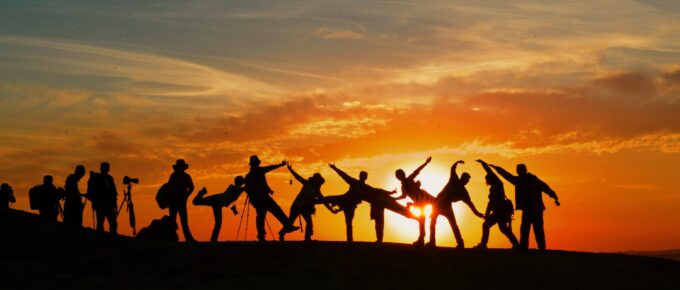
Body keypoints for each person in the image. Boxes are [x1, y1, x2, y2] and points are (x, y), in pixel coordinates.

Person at [328, 163, 412, 243]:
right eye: (362, 175)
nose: (362, 177)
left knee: (351, 222)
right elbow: (344, 175)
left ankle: (358, 240)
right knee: (329, 201)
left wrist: (390, 193)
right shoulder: (354, 182)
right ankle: (352, 240)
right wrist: (334, 168)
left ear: (365, 178)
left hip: (362, 204)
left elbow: (378, 190)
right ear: (360, 176)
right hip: (346, 200)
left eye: (364, 176)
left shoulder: (366, 187)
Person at [490, 163, 560, 251]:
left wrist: (553, 195)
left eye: (519, 170)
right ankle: (530, 247)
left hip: (535, 209)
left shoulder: (527, 179)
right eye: (518, 170)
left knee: (533, 228)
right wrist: (497, 168)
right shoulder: (522, 180)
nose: (518, 171)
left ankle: (536, 247)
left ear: (523, 170)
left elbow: (544, 187)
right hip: (532, 208)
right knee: (527, 229)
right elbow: (506, 175)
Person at [428, 160, 485, 248]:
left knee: (452, 224)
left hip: (445, 205)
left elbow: (470, 204)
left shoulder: (463, 192)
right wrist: (456, 163)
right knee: (434, 222)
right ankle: (432, 241)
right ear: (462, 178)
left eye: (467, 180)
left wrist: (477, 213)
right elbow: (452, 169)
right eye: (466, 179)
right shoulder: (454, 180)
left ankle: (460, 243)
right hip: (438, 203)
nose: (466, 181)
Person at [244, 155, 299, 242]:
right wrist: (281, 165)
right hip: (264, 198)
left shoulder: (248, 176)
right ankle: (288, 226)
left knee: (261, 217)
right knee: (277, 211)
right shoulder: (259, 171)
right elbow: (270, 168)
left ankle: (261, 236)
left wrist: (255, 197)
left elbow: (247, 189)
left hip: (258, 200)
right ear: (256, 163)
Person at [280, 163, 333, 242]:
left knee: (309, 223)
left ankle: (307, 238)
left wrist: (330, 209)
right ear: (315, 179)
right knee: (290, 222)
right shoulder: (307, 183)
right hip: (297, 206)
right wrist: (291, 170)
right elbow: (297, 177)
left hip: (305, 208)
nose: (318, 182)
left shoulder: (317, 190)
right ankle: (282, 233)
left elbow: (323, 201)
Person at [473, 160, 519, 249]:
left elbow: (490, 172)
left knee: (489, 226)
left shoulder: (498, 185)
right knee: (503, 229)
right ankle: (516, 244)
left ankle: (483, 244)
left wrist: (483, 164)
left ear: (491, 179)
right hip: (498, 211)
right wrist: (487, 214)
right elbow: (490, 203)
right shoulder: (494, 188)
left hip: (500, 211)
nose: (486, 181)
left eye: (487, 179)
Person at [394, 156, 434, 246]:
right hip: (419, 203)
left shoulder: (409, 179)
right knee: (421, 220)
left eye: (400, 174)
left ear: (402, 175)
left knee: (425, 217)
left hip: (423, 198)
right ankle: (421, 239)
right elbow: (403, 196)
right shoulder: (403, 186)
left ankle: (424, 240)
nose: (400, 176)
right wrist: (394, 198)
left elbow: (418, 170)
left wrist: (426, 163)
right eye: (398, 175)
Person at [192, 176, 246, 242]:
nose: (242, 184)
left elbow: (233, 199)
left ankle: (213, 239)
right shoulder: (233, 188)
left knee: (218, 222)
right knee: (196, 202)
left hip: (218, 203)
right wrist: (245, 186)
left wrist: (234, 208)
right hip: (216, 199)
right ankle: (202, 192)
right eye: (242, 183)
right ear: (239, 182)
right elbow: (235, 192)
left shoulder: (237, 189)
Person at [166, 159, 196, 242]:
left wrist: (186, 196)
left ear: (183, 167)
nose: (180, 168)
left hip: (181, 202)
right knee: (173, 221)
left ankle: (188, 239)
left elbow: (192, 188)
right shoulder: (173, 176)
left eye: (181, 166)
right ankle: (172, 238)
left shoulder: (186, 176)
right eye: (179, 166)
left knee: (184, 222)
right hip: (173, 202)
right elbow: (169, 188)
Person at [88, 162, 118, 234]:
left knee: (112, 222)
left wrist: (114, 203)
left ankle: (111, 236)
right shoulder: (97, 178)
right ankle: (101, 237)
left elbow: (113, 192)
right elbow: (94, 191)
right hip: (101, 203)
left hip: (108, 204)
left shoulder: (109, 178)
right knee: (101, 222)